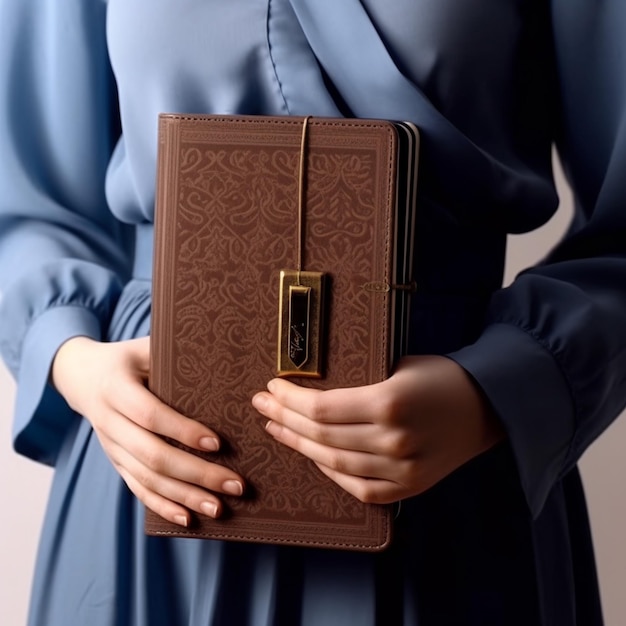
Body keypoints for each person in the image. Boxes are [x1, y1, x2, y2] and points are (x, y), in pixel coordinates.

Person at [1, 1, 625, 624]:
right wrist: (76, 363)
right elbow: (26, 195)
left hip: (449, 476)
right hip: (149, 462)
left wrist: (499, 390)